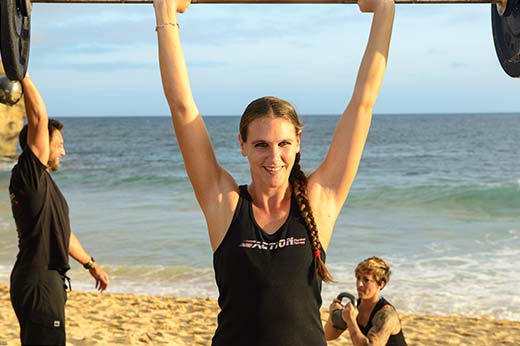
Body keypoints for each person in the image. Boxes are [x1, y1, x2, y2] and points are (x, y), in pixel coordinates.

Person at [153, 0, 394, 344]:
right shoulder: (224, 203)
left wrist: (384, 10)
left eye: (283, 143)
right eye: (261, 144)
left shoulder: (318, 200)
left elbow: (363, 102)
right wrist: (165, 15)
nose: (274, 157)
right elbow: (181, 107)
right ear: (242, 145)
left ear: (298, 141)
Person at [9, 76, 110, 346]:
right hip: (38, 280)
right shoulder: (29, 174)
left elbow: (62, 234)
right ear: (41, 145)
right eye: (59, 144)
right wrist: (23, 75)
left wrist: (91, 264)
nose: (63, 151)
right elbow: (39, 118)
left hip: (46, 280)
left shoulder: (43, 184)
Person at [324, 256, 407, 345]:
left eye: (366, 280)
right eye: (358, 278)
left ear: (381, 284)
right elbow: (328, 336)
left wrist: (351, 321)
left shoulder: (387, 314)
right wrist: (332, 316)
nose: (359, 284)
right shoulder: (355, 306)